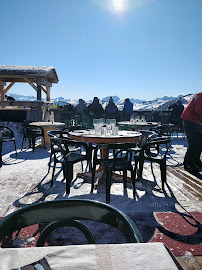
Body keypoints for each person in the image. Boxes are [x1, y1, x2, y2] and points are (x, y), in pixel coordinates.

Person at [181, 92, 202, 174]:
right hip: (189, 120)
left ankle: (195, 161)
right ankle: (188, 164)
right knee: (194, 142)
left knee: (199, 142)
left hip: (195, 121)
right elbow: (199, 110)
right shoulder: (201, 96)